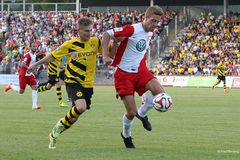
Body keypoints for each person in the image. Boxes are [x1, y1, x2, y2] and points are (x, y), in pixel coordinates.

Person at [28, 17, 103, 149]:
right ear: (79, 31)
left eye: (91, 30)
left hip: (88, 84)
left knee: (74, 117)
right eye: (86, 31)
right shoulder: (70, 44)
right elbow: (52, 56)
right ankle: (59, 124)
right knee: (81, 107)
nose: (89, 33)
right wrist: (36, 64)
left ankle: (54, 133)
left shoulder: (96, 42)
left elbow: (109, 51)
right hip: (72, 81)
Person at [102, 5, 169, 148]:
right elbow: (107, 34)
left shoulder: (151, 32)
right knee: (131, 113)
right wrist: (105, 55)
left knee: (160, 94)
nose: (155, 25)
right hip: (124, 75)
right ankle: (126, 135)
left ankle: (143, 114)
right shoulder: (132, 29)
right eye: (153, 21)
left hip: (141, 71)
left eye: (158, 22)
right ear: (145, 18)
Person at [4, 43, 43, 110]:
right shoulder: (28, 55)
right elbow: (22, 64)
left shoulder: (34, 55)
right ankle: (11, 86)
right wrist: (29, 68)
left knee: (35, 87)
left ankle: (34, 105)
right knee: (21, 91)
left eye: (35, 46)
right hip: (24, 74)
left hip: (30, 74)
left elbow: (32, 64)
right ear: (30, 47)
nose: (35, 47)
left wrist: (33, 70)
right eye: (33, 46)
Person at [37, 41, 68, 107]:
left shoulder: (60, 54)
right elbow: (45, 61)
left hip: (56, 72)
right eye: (54, 46)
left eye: (56, 45)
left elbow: (60, 63)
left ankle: (36, 91)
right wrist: (46, 64)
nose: (55, 47)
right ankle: (61, 102)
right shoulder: (49, 54)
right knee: (58, 85)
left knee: (48, 87)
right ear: (51, 47)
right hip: (52, 73)